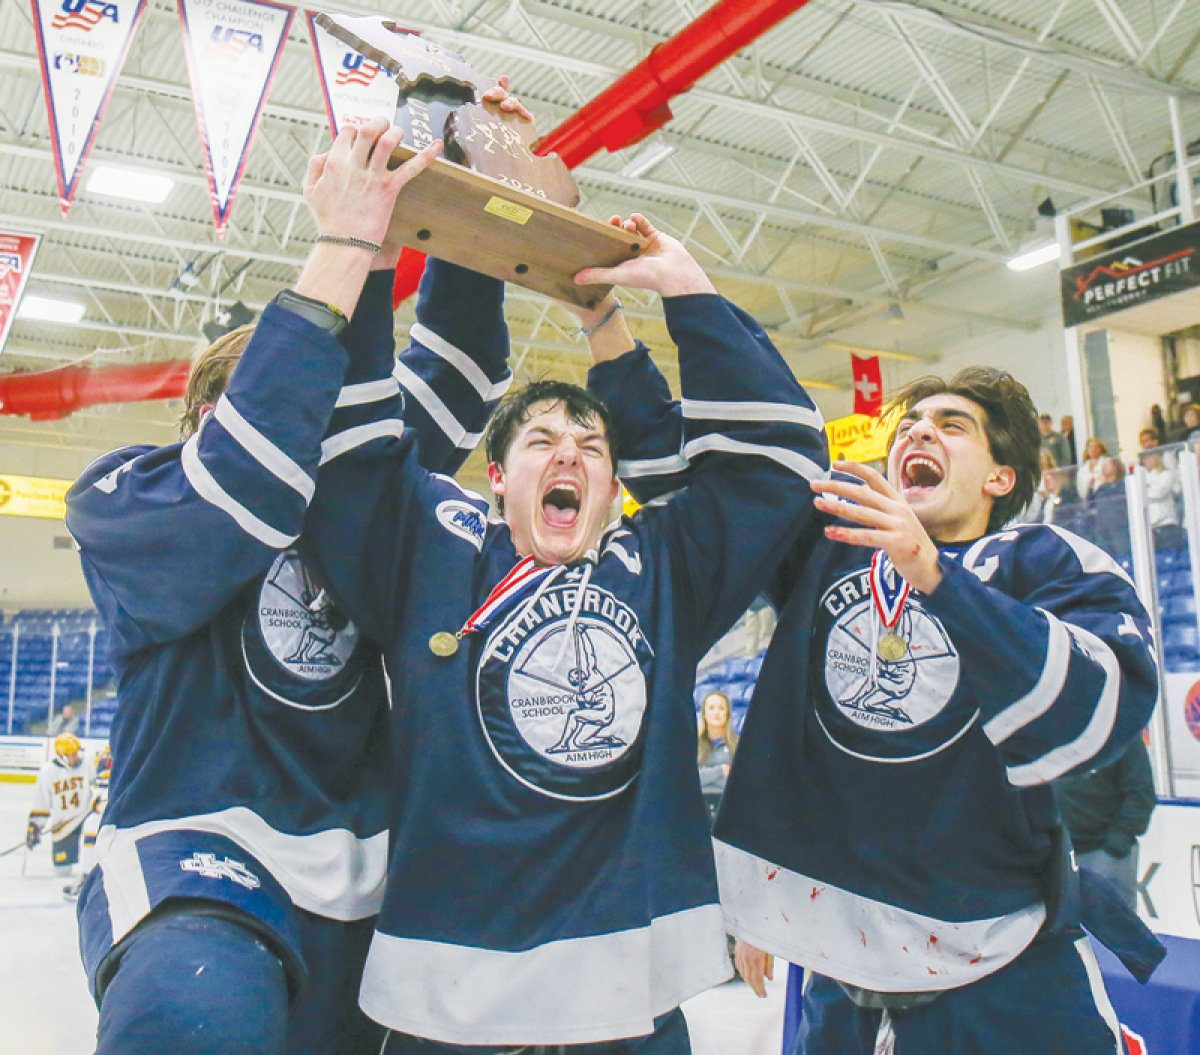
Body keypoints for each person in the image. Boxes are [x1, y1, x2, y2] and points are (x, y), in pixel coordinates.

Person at [298, 212, 827, 1050]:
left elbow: (784, 459)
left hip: (626, 992)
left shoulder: (664, 566)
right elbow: (352, 443)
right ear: (496, 476)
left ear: (615, 483)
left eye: (591, 445)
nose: (569, 455)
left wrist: (685, 293)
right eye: (542, 441)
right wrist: (375, 243)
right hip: (448, 992)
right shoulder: (434, 545)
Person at [65, 109, 521, 1055]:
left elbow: (456, 375)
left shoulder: (355, 495)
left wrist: (474, 178)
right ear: (197, 411)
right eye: (278, 400)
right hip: (197, 860)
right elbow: (245, 477)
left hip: (374, 873)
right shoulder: (125, 497)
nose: (314, 437)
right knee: (190, 1020)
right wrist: (348, 247)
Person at [612, 366, 1158, 1053]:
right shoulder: (833, 547)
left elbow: (1106, 700)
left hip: (1008, 970)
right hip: (848, 970)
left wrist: (934, 573)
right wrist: (610, 338)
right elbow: (704, 491)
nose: (921, 429)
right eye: (910, 424)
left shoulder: (1042, 560)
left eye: (952, 425)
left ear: (1001, 477)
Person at [1055, 737, 1155, 911]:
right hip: (1059, 855)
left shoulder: (1122, 734)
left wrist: (1117, 843)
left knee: (1115, 928)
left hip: (1104, 854)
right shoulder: (1052, 733)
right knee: (1067, 930)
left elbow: (1141, 793)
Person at [28, 732, 94, 878]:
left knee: (92, 864)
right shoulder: (48, 772)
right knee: (62, 872)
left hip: (84, 820)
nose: (76, 756)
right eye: (72, 754)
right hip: (63, 827)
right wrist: (35, 826)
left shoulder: (87, 763)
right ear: (62, 756)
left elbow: (100, 786)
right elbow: (42, 802)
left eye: (76, 752)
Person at [64, 744, 113, 902]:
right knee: (92, 823)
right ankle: (89, 876)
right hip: (110, 792)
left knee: (93, 824)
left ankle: (89, 876)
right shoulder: (104, 756)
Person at [697, 689, 738, 825]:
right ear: (704, 714)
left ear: (727, 714)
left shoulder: (737, 744)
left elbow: (736, 781)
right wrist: (720, 771)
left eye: (721, 708)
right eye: (711, 708)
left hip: (727, 804)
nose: (716, 713)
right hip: (697, 803)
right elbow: (691, 777)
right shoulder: (693, 744)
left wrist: (705, 774)